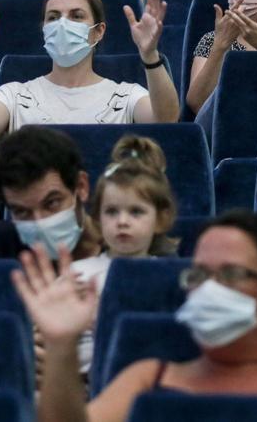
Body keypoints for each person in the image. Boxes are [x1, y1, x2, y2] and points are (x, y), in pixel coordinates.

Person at [14, 210, 257, 422]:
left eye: (231, 274)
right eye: (200, 275)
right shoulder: (149, 378)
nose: (209, 288)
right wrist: (62, 346)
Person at [0, 0, 180, 142]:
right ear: (44, 30)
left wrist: (150, 55)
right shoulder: (14, 94)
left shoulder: (125, 95)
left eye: (76, 16)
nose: (62, 24)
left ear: (99, 31)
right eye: (53, 17)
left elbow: (166, 120)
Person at [71, 135, 179, 373]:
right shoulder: (77, 274)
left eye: (136, 212)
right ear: (97, 218)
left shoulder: (172, 278)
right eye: (111, 211)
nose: (122, 221)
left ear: (161, 219)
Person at [0, 125, 104, 260]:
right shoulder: (0, 246)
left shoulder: (120, 243)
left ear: (81, 187)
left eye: (52, 203)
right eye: (22, 212)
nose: (40, 223)